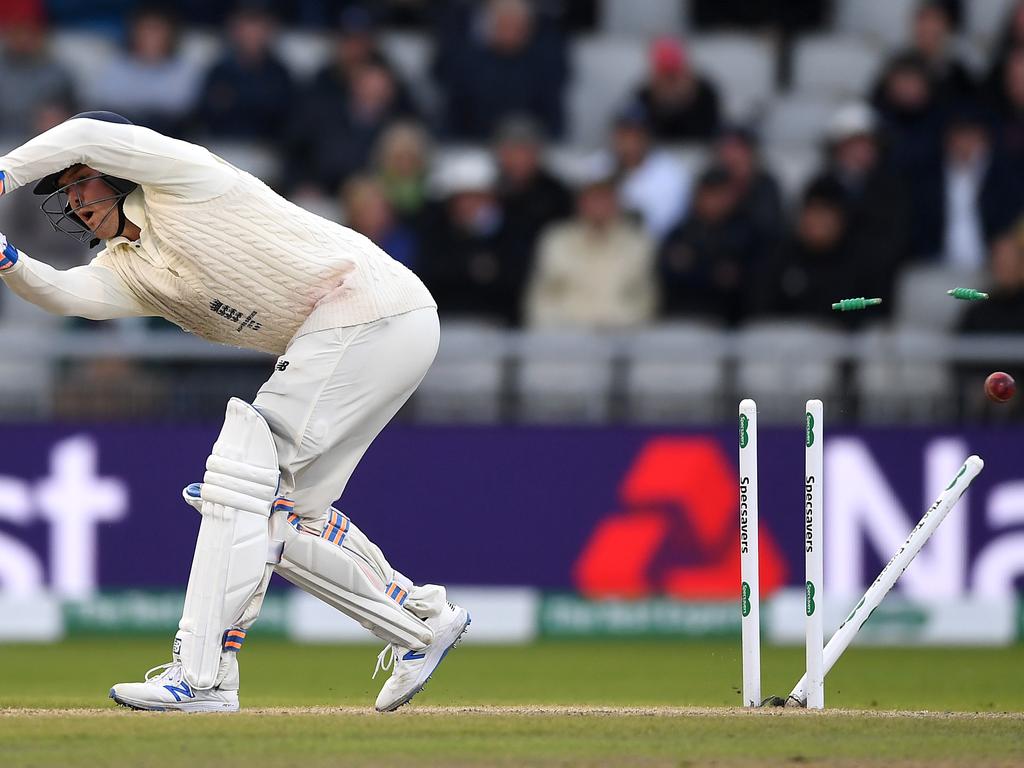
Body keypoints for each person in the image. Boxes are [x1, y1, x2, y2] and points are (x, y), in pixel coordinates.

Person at [0, 110, 470, 712]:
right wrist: (9, 257)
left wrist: (6, 175)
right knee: (284, 518)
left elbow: (87, 133)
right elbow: (67, 295)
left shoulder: (184, 179)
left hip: (370, 309)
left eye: (78, 183)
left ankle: (202, 676)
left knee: (237, 477)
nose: (73, 201)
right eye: (64, 192)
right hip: (372, 331)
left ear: (117, 169)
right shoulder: (128, 267)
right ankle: (422, 623)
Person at [524, 157, 656, 329]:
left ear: (617, 202)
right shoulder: (556, 239)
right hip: (566, 338)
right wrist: (558, 332)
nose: (599, 205)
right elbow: (540, 298)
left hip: (621, 338)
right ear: (580, 202)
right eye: (593, 198)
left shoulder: (637, 242)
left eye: (605, 198)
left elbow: (645, 300)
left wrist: (620, 326)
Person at [193, 0, 294, 145]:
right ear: (235, 29)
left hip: (267, 150)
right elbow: (207, 115)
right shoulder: (218, 71)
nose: (252, 33)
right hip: (221, 147)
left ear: (269, 29)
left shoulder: (280, 73)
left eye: (258, 26)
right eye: (247, 25)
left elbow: (284, 120)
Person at [633, 37, 721, 142]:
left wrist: (686, 100)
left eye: (675, 72)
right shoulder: (643, 98)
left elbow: (711, 135)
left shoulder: (706, 94)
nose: (670, 79)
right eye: (665, 73)